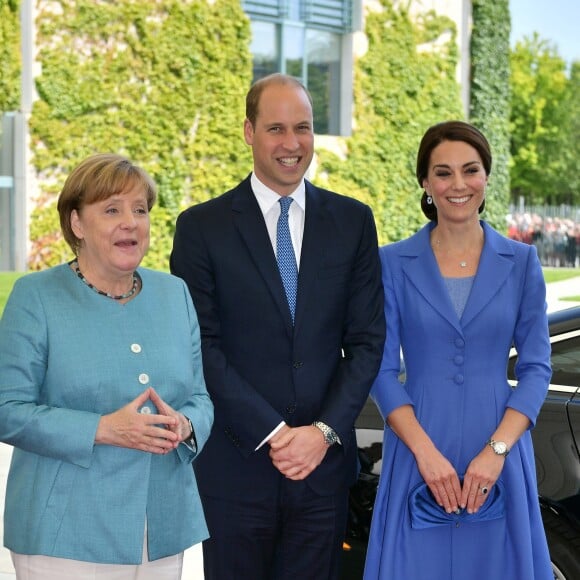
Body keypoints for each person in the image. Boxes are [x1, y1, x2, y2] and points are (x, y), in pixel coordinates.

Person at [170, 73, 385, 580]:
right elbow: (200, 345)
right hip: (236, 470)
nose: (292, 144)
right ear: (249, 132)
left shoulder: (352, 221)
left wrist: (323, 433)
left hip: (322, 472)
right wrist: (273, 433)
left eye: (304, 128)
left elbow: (368, 341)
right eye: (276, 129)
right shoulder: (202, 227)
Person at [0, 153, 214, 579]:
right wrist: (103, 429)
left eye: (140, 210)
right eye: (112, 209)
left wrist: (186, 425)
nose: (131, 222)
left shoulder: (175, 294)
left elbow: (199, 398)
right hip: (64, 535)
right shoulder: (36, 297)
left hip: (162, 529)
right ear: (77, 223)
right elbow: (7, 409)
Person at [363, 121, 553, 579]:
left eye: (470, 170)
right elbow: (381, 370)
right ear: (426, 184)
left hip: (500, 452)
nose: (458, 184)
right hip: (417, 448)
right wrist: (425, 456)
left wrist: (496, 452)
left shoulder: (522, 262)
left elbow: (536, 369)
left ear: (486, 177)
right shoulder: (391, 262)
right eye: (443, 173)